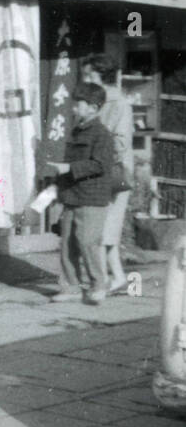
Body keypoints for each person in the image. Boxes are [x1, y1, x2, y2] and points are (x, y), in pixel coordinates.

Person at [47, 82, 117, 306]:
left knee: (87, 241)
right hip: (72, 195)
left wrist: (69, 169)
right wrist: (58, 187)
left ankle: (98, 284)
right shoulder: (77, 131)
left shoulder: (102, 134)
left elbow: (100, 165)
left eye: (79, 104)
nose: (74, 108)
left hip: (93, 198)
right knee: (67, 244)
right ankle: (72, 287)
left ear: (94, 108)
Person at [81, 54, 133, 295]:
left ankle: (102, 281)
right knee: (103, 229)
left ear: (101, 76)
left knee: (102, 229)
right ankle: (117, 277)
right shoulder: (96, 101)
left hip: (113, 174)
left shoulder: (119, 103)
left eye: (89, 76)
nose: (85, 81)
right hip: (97, 172)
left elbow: (121, 144)